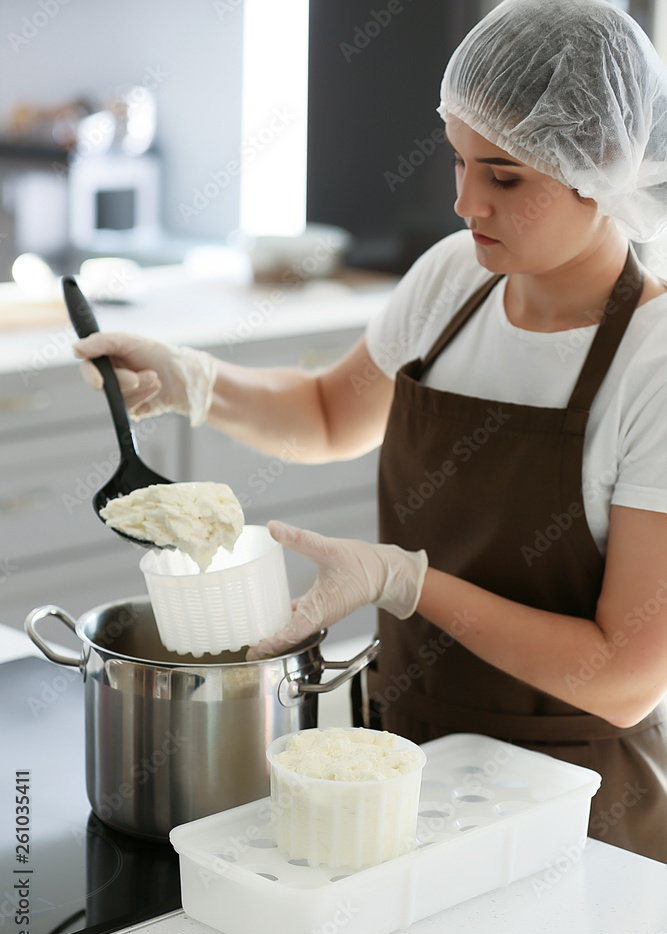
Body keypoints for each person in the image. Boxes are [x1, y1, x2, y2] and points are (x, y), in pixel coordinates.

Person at [74, 0, 667, 862]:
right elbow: (325, 414)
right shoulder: (451, 281)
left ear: (602, 172)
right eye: (457, 160)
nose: (463, 201)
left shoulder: (652, 362)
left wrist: (405, 583)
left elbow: (620, 677)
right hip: (399, 771)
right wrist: (194, 380)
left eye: (502, 177)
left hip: (576, 814)